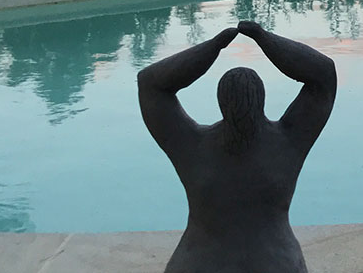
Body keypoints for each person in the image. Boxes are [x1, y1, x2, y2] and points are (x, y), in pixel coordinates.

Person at [137, 21, 337, 273]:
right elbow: (323, 75)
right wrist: (263, 37)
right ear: (262, 98)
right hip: (276, 264)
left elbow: (150, 84)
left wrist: (213, 46)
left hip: (198, 264)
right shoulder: (289, 141)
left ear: (221, 101)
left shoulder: (190, 145)